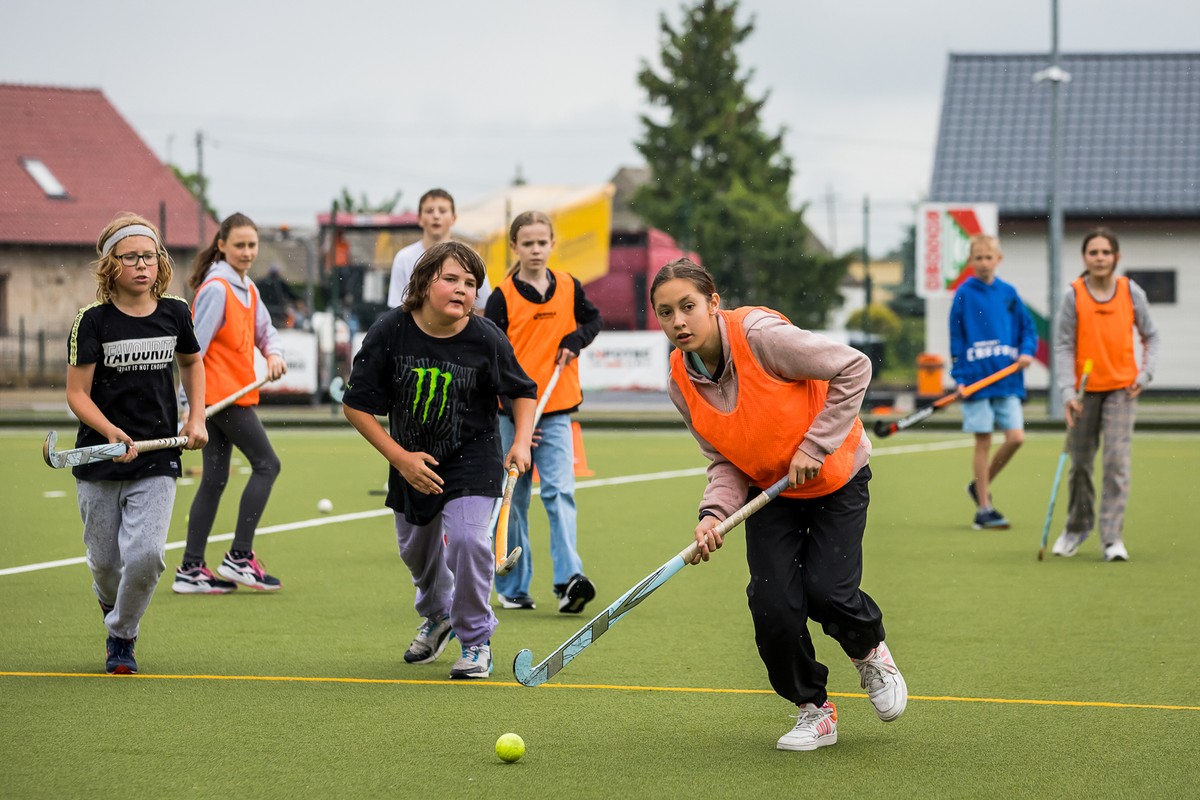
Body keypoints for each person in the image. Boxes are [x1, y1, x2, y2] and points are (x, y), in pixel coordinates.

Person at [650, 258, 906, 752]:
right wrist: (712, 515)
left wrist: (815, 444)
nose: (678, 321)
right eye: (665, 313)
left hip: (835, 477)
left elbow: (855, 366)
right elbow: (724, 459)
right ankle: (813, 709)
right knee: (772, 604)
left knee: (827, 591)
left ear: (713, 304)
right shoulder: (680, 382)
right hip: (770, 491)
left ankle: (869, 650)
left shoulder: (762, 337)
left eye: (688, 307)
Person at [343, 242, 536, 679]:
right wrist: (401, 459)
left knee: (469, 542)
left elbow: (522, 390)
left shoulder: (486, 337)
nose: (462, 290)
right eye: (451, 278)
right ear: (425, 281)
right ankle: (438, 614)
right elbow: (356, 406)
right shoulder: (390, 332)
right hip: (411, 460)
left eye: (471, 284)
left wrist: (521, 441)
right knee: (417, 553)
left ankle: (475, 638)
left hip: (473, 458)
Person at [67, 213, 209, 674]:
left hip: (158, 458)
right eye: (131, 257)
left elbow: (192, 364)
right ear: (111, 264)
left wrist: (196, 415)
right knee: (106, 565)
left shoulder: (174, 312)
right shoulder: (91, 321)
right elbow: (76, 394)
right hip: (100, 457)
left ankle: (122, 635)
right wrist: (110, 431)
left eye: (149, 256)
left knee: (146, 557)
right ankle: (112, 604)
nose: (142, 265)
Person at [485, 211, 602, 613]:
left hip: (556, 411)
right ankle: (514, 586)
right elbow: (493, 359)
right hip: (511, 413)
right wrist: (518, 422)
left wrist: (576, 338)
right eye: (527, 243)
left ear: (553, 244)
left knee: (559, 494)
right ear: (514, 247)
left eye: (542, 242)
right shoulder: (501, 296)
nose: (535, 250)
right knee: (513, 501)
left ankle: (569, 579)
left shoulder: (569, 287)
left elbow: (593, 320)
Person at [173, 212, 288, 594]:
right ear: (221, 245)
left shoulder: (247, 288)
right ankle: (240, 557)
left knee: (216, 478)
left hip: (225, 398)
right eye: (239, 245)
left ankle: (191, 569)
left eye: (252, 245)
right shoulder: (218, 289)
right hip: (219, 400)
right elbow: (192, 350)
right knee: (267, 465)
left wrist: (272, 353)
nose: (247, 252)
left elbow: (265, 331)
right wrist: (188, 407)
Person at [1051, 228, 1160, 561]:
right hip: (1084, 393)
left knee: (1115, 463)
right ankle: (1076, 527)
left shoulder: (1130, 292)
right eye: (1093, 252)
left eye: (1105, 252)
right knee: (1080, 464)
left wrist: (1145, 373)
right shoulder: (1074, 295)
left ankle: (1112, 538)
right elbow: (1063, 344)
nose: (1099, 258)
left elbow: (1151, 337)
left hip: (1122, 390)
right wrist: (1068, 391)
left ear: (1116, 257)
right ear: (1085, 258)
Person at [948, 235, 1037, 530]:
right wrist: (960, 378)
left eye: (989, 257)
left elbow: (1028, 329)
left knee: (1016, 438)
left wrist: (1026, 352)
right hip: (976, 382)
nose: (984, 263)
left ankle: (979, 485)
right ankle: (984, 508)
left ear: (998, 260)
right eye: (978, 258)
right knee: (983, 441)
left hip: (1008, 380)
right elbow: (957, 340)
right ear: (971, 261)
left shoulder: (1009, 293)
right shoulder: (963, 295)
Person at [387, 188, 490, 311]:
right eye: (429, 211)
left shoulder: (470, 258)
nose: (436, 216)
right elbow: (398, 307)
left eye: (442, 211)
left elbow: (483, 307)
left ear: (453, 218)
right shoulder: (404, 257)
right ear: (419, 218)